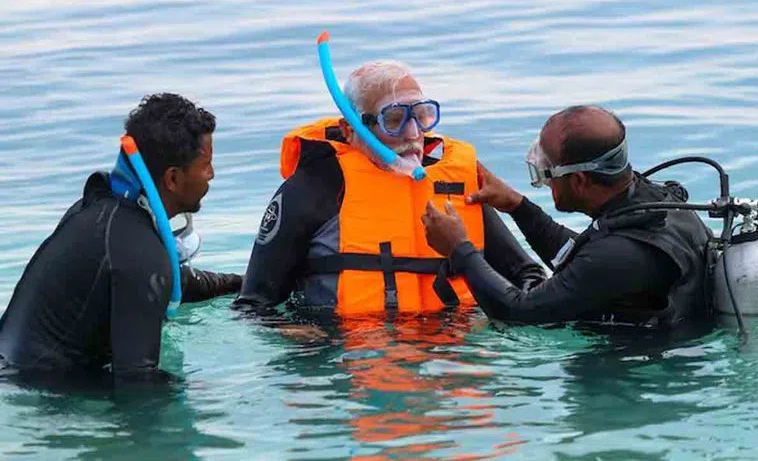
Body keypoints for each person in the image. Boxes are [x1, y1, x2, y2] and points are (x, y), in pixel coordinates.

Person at [236, 60, 543, 315]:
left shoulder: (455, 187)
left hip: (450, 360)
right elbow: (252, 305)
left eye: (422, 117)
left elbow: (529, 276)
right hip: (346, 360)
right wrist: (302, 335)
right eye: (393, 120)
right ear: (349, 129)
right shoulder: (314, 188)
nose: (413, 134)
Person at [0, 93, 242, 383]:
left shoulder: (105, 215)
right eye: (206, 165)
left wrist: (238, 283)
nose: (211, 175)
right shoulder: (140, 252)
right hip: (36, 391)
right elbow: (137, 385)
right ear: (173, 179)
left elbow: (164, 281)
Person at [421, 105, 713, 328]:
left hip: (634, 379)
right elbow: (581, 259)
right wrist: (518, 206)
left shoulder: (619, 255)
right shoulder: (661, 205)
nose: (546, 182)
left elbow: (518, 312)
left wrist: (460, 251)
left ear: (579, 181)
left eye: (546, 173)